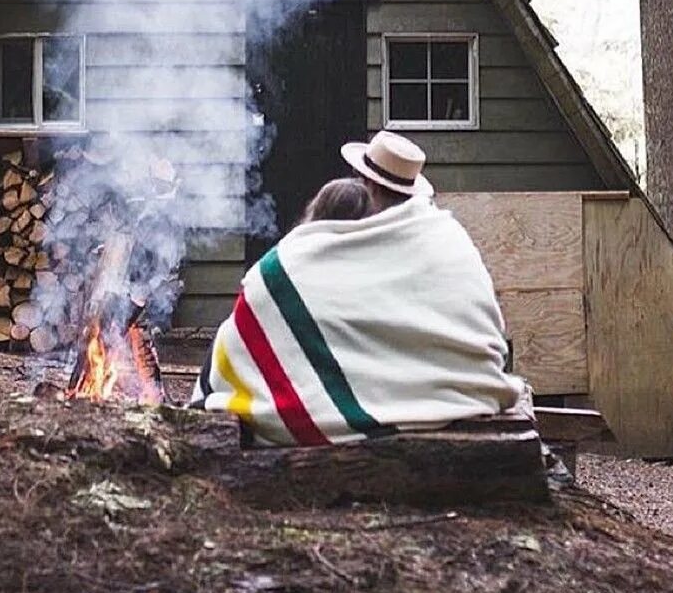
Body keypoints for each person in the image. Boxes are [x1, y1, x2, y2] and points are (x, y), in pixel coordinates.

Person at [191, 130, 522, 445]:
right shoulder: (449, 238)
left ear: (368, 184)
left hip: (367, 405)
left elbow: (263, 299)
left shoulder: (310, 254)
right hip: (468, 387)